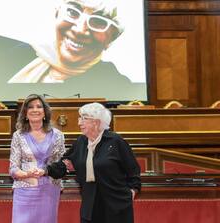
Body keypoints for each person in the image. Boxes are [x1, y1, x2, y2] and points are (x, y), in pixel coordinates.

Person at [47, 102, 141, 223]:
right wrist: (46, 170)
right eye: (79, 118)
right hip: (90, 206)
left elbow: (133, 171)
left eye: (84, 119)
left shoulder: (116, 141)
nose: (79, 123)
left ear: (96, 122)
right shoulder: (81, 142)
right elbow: (63, 165)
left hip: (116, 206)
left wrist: (132, 191)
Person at [7, 0, 124, 83]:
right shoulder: (15, 56)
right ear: (57, 14)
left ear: (112, 39)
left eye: (99, 21)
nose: (79, 30)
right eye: (72, 12)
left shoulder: (112, 80)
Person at [9, 94, 66, 223]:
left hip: (49, 190)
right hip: (24, 189)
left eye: (39, 107)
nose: (35, 110)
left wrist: (46, 171)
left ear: (45, 112)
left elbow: (62, 165)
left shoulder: (58, 135)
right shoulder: (18, 135)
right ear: (25, 113)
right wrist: (26, 174)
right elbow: (13, 168)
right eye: (30, 107)